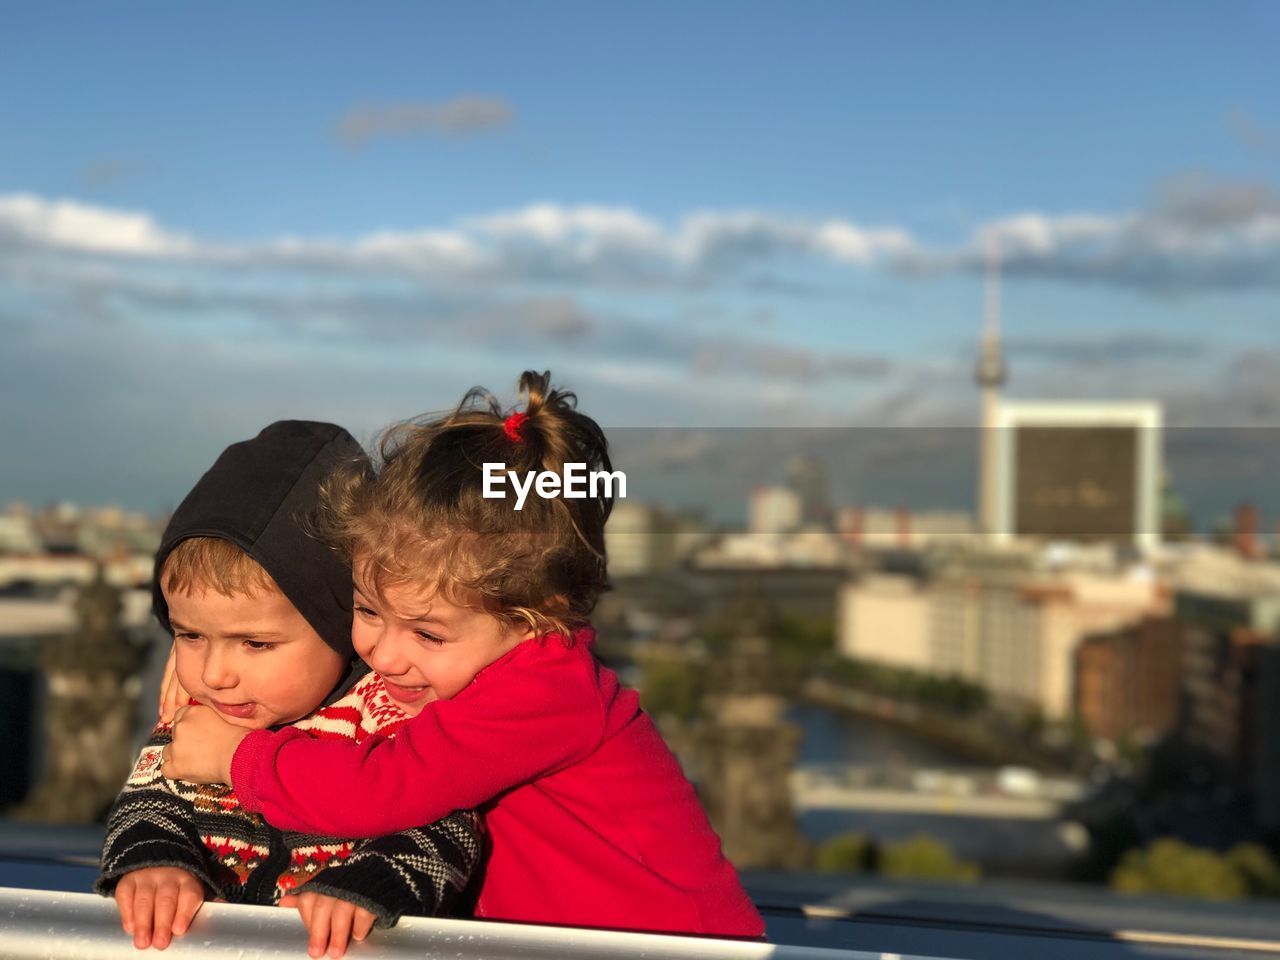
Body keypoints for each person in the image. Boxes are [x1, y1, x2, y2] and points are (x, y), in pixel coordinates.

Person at [165, 372, 765, 938]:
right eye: (369, 611)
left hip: (674, 944)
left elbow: (385, 788)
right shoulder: (490, 661)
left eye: (427, 634)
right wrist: (208, 654)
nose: (385, 655)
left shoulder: (543, 692)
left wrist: (239, 758)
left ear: (538, 617)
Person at [97, 421, 481, 959]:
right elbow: (146, 803)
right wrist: (155, 864)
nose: (215, 674)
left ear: (339, 622)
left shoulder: (388, 713)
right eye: (189, 635)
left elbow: (445, 827)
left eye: (254, 643)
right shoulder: (200, 712)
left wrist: (367, 887)